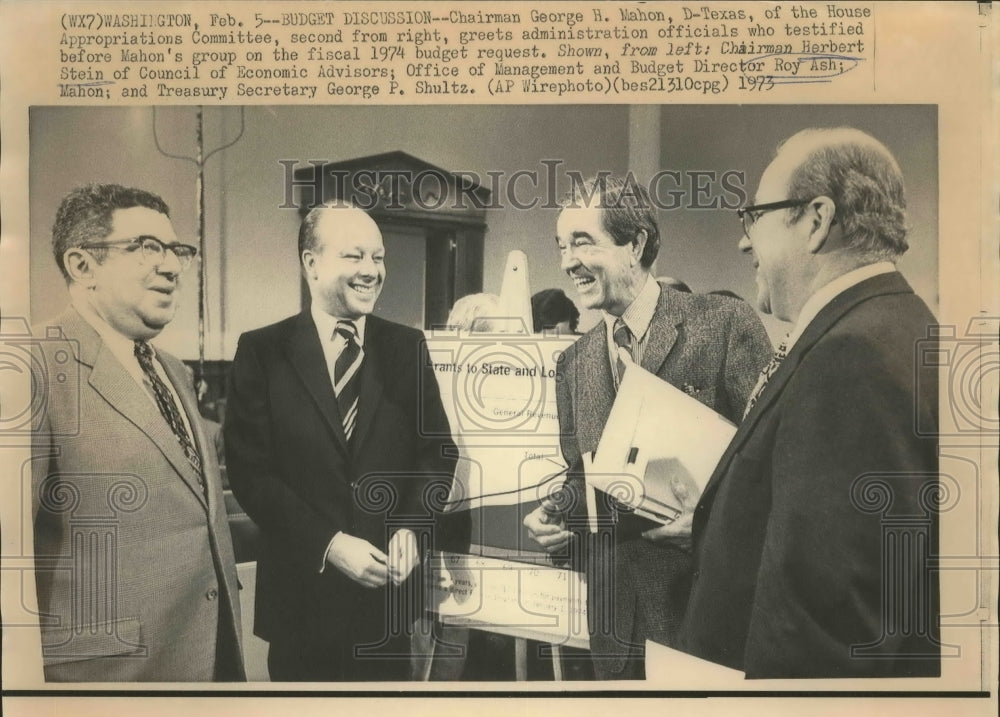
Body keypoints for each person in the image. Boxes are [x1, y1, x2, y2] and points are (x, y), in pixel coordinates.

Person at [680, 127, 940, 678]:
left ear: (817, 221)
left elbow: (823, 621)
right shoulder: (893, 325)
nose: (743, 242)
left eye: (754, 217)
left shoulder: (851, 354)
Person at [523, 176, 772, 680]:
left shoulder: (722, 324)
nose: (568, 260)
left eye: (583, 241)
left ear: (635, 243)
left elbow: (771, 466)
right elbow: (586, 476)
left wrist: (706, 530)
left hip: (705, 622)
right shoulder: (573, 363)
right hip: (613, 633)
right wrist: (556, 520)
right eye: (561, 246)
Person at [224, 204, 463, 682]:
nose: (372, 271)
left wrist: (412, 529)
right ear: (311, 263)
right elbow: (252, 474)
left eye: (378, 257)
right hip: (301, 605)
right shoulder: (262, 351)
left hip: (386, 606)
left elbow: (437, 453)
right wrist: (329, 545)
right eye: (355, 256)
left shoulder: (406, 347)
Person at [31, 184, 245, 682]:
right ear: (83, 266)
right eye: (147, 247)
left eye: (176, 251)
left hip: (209, 662)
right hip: (107, 682)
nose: (171, 266)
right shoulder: (33, 367)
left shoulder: (173, 370)